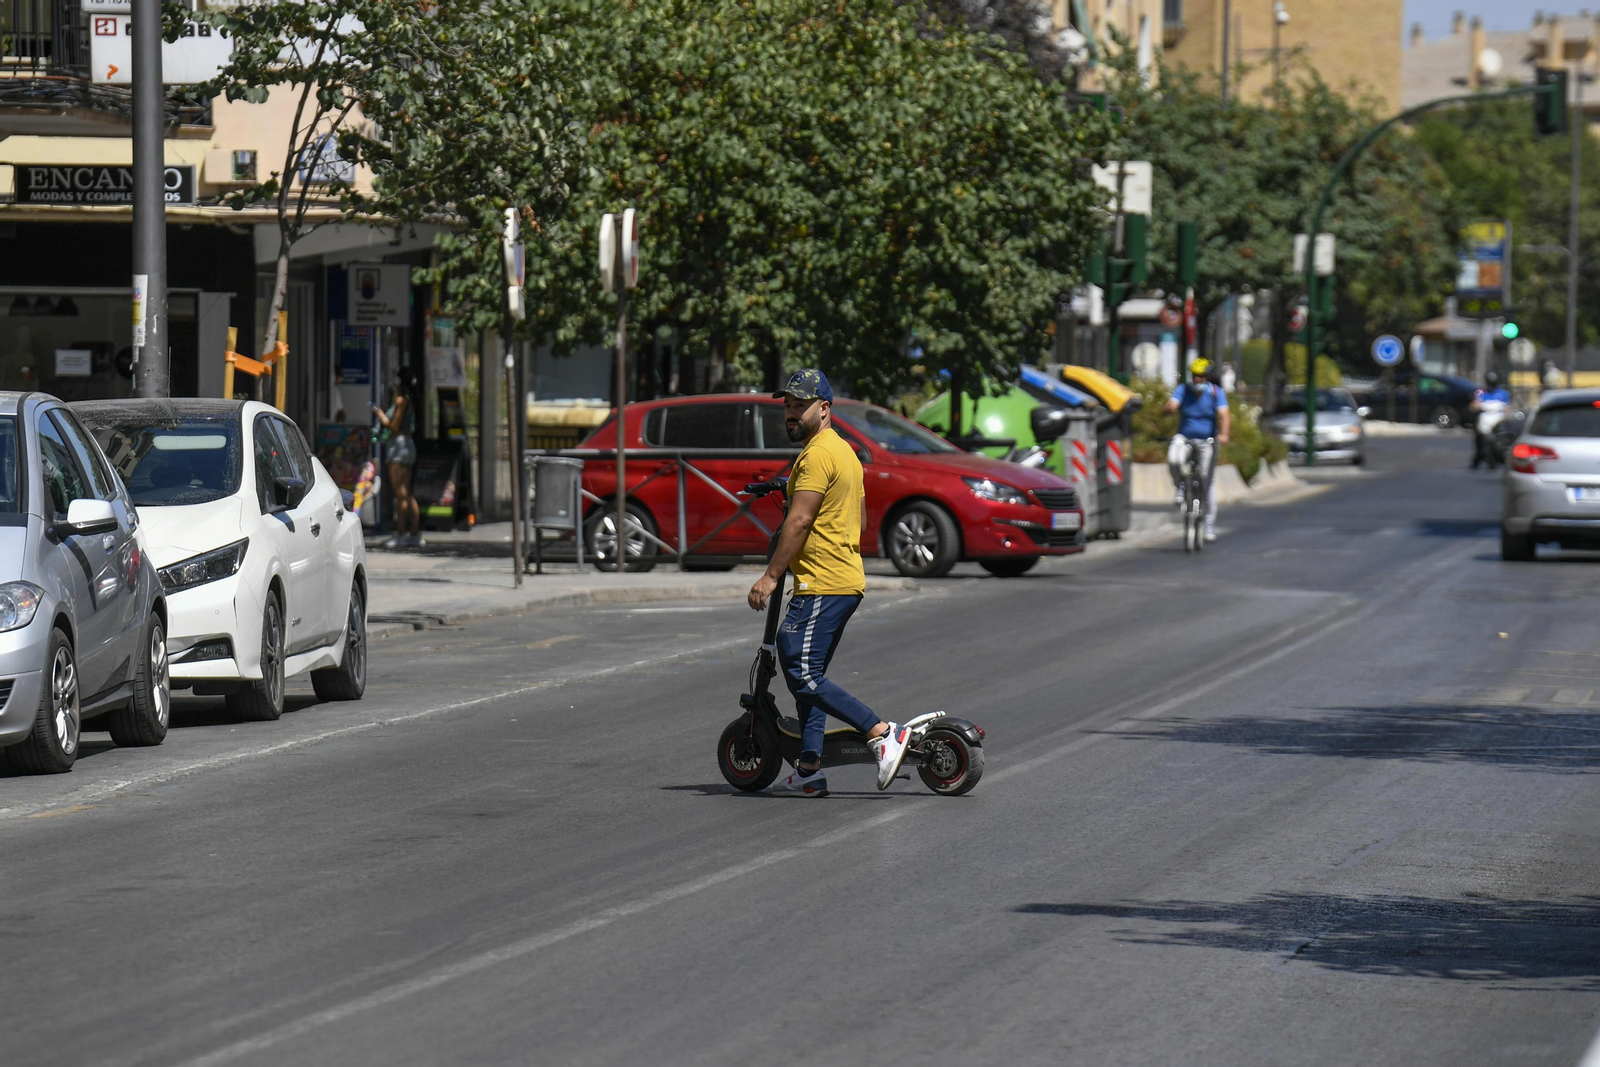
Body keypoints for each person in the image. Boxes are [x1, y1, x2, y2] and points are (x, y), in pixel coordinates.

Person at [747, 369, 911, 797]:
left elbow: (800, 520)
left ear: (825, 408)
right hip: (844, 579)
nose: (792, 413)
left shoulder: (817, 455)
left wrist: (770, 576)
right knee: (812, 675)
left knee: (799, 671)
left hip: (822, 582)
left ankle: (882, 733)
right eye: (788, 406)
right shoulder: (844, 453)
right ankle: (808, 768)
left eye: (801, 406)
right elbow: (853, 516)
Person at [1165, 358, 1231, 543]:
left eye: (1201, 376)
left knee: (1206, 480)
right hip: (1185, 437)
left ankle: (1208, 525)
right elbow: (1173, 403)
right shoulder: (1184, 390)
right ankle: (1181, 486)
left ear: (1207, 377)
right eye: (1194, 376)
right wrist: (1170, 408)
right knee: (1173, 459)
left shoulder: (1216, 393)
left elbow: (1224, 415)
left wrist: (1224, 435)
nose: (1197, 380)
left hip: (1207, 440)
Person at [373, 367, 423, 548]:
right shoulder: (409, 400)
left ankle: (401, 534)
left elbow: (393, 426)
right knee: (408, 493)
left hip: (398, 446)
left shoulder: (401, 400)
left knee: (400, 493)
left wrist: (380, 415)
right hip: (408, 444)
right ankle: (415, 534)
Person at [1469, 370, 1511, 470]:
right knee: (1480, 438)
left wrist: (1503, 410)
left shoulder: (1503, 394)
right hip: (1485, 420)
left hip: (1497, 420)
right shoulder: (1482, 392)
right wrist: (1479, 405)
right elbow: (1473, 405)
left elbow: (1508, 409)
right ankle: (1479, 458)